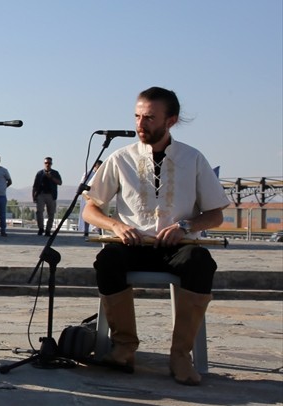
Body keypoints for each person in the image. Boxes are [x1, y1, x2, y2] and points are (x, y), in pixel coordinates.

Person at [82, 86, 229, 385]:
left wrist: (184, 227)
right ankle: (124, 347)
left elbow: (216, 214)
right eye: (137, 116)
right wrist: (116, 226)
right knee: (107, 261)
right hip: (133, 243)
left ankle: (180, 355)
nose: (140, 124)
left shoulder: (193, 159)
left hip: (178, 245)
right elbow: (90, 209)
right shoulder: (120, 158)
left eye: (149, 118)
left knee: (200, 262)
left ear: (170, 120)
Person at [32, 157, 63, 235]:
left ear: (51, 164)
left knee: (51, 213)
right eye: (46, 163)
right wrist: (34, 196)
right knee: (39, 212)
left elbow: (60, 182)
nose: (47, 164)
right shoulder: (39, 173)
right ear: (44, 163)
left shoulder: (55, 173)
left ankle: (48, 230)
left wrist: (51, 177)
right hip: (41, 195)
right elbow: (35, 186)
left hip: (51, 195)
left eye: (49, 163)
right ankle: (41, 228)